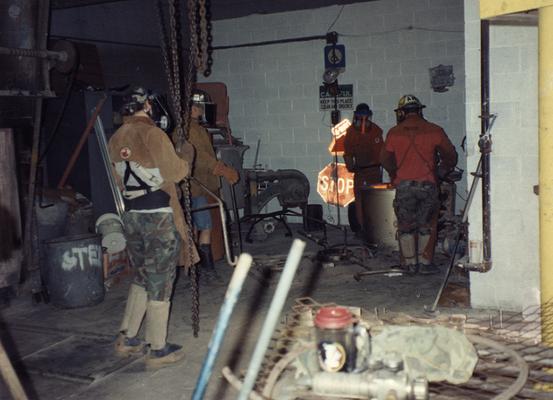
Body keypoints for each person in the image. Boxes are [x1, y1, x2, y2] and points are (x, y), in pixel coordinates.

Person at [108, 87, 197, 368]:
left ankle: (128, 337)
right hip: (158, 216)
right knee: (160, 278)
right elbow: (177, 173)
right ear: (146, 105)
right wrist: (185, 154)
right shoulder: (153, 134)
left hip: (132, 215)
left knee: (143, 275)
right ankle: (158, 348)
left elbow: (120, 182)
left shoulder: (116, 138)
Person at [380, 94, 457, 274]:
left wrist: (395, 174)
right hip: (428, 185)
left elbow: (384, 159)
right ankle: (424, 263)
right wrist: (441, 171)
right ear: (419, 110)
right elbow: (451, 155)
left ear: (402, 112)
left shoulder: (394, 132)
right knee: (427, 225)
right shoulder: (434, 130)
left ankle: (409, 264)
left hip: (404, 186)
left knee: (405, 225)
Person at [187, 90, 239, 285]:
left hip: (200, 188)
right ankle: (202, 270)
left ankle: (205, 268)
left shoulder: (198, 129)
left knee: (205, 226)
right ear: (192, 108)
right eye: (198, 108)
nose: (201, 111)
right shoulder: (186, 131)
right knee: (199, 227)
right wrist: (222, 169)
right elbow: (199, 157)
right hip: (192, 188)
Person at [343, 103, 384, 241]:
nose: (363, 121)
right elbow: (348, 154)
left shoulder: (375, 131)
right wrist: (351, 167)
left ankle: (372, 229)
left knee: (372, 200)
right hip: (363, 171)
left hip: (372, 171)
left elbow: (381, 153)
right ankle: (364, 229)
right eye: (361, 118)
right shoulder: (352, 132)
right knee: (363, 201)